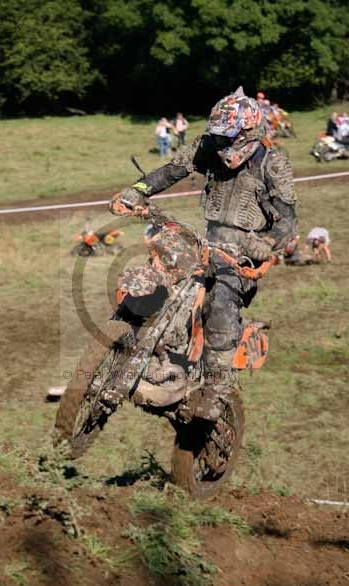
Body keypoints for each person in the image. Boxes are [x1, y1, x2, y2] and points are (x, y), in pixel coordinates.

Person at [111, 86, 297, 419]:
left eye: (227, 136)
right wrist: (137, 191)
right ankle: (119, 347)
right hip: (206, 243)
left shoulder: (273, 163)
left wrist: (267, 243)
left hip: (243, 255)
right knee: (154, 269)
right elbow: (171, 170)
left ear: (247, 132)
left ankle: (215, 390)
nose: (221, 143)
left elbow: (288, 222)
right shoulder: (207, 146)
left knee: (221, 302)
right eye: (219, 136)